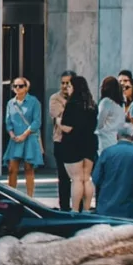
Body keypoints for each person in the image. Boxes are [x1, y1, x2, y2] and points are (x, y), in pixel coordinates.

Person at [57, 75, 100, 212]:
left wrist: (58, 122)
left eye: (70, 86)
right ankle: (86, 209)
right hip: (89, 142)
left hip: (73, 143)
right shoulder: (93, 105)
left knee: (76, 179)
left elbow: (67, 128)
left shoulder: (72, 104)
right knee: (86, 178)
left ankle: (75, 211)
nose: (68, 88)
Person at [3, 77, 43, 196]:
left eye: (20, 86)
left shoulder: (34, 101)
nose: (17, 88)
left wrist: (25, 134)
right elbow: (8, 121)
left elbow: (36, 121)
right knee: (12, 169)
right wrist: (11, 134)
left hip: (29, 137)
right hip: (15, 138)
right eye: (15, 86)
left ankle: (30, 197)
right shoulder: (10, 103)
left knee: (28, 168)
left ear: (26, 88)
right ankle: (12, 196)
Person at [91, 129, 133, 220]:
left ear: (117, 137)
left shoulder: (107, 152)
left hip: (106, 209)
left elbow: (96, 178)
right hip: (131, 211)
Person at [50, 72, 73, 210]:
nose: (64, 86)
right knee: (63, 177)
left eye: (68, 83)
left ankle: (78, 206)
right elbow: (61, 118)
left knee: (77, 178)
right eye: (63, 83)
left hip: (77, 141)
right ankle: (64, 206)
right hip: (61, 140)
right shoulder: (55, 98)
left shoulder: (80, 97)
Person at [96, 76, 129, 148]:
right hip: (118, 139)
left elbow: (99, 124)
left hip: (106, 140)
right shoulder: (121, 103)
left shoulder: (106, 102)